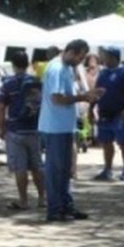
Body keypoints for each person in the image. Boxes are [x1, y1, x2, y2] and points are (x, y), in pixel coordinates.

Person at [39, 39, 101, 223]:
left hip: (64, 126)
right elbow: (57, 98)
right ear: (71, 52)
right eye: (79, 57)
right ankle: (55, 209)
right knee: (55, 169)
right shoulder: (57, 68)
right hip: (54, 126)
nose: (80, 62)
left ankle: (66, 205)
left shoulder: (67, 67)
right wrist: (83, 97)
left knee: (65, 169)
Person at [0, 51, 45, 211]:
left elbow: (2, 106)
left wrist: (1, 126)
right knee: (37, 165)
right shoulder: (36, 82)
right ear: (28, 63)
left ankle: (23, 200)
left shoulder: (8, 84)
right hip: (34, 128)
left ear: (13, 64)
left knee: (20, 168)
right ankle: (42, 198)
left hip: (15, 129)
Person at [92, 47, 124, 182]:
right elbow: (97, 92)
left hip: (119, 113)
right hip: (104, 112)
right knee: (106, 142)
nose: (103, 58)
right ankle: (108, 169)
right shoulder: (103, 73)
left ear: (113, 57)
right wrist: (91, 108)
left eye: (105, 56)